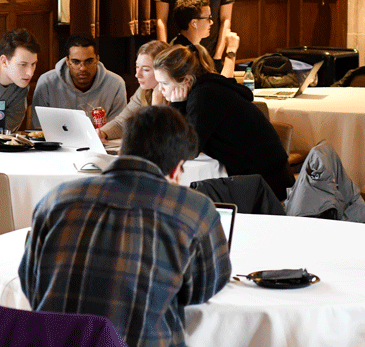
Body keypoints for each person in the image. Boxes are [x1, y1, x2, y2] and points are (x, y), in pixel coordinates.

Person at [19, 105, 231, 347]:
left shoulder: (56, 199)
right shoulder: (193, 210)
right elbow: (203, 290)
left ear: (120, 151)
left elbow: (31, 282)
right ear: (176, 169)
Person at [153, 43, 294, 201]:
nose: (160, 90)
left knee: (194, 202)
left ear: (186, 80)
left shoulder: (205, 96)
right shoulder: (204, 89)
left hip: (267, 184)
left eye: (164, 83)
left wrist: (176, 105)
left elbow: (187, 149)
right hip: (262, 175)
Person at [31, 32, 127, 128]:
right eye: (76, 62)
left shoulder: (116, 84)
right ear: (67, 61)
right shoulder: (46, 83)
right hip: (56, 142)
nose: (83, 68)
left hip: (102, 141)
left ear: (97, 59)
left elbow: (117, 127)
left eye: (89, 61)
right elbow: (39, 127)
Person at [97, 40, 169, 141]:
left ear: (164, 70)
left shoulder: (177, 94)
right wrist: (102, 133)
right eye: (137, 67)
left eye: (146, 69)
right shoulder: (144, 91)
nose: (137, 75)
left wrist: (156, 101)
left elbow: (159, 137)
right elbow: (122, 122)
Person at [170, 0, 239, 78]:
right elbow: (220, 87)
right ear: (194, 23)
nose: (211, 22)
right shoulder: (186, 55)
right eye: (208, 18)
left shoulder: (183, 45)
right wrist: (231, 50)